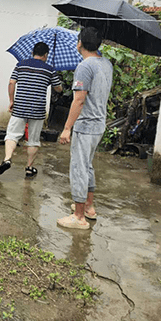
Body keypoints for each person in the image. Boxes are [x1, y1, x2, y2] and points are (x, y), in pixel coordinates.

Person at [57, 27, 113, 230]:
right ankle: (89, 207)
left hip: (86, 124)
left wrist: (66, 128)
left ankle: (79, 216)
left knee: (79, 168)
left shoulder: (85, 66)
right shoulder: (106, 63)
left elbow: (79, 100)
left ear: (80, 43)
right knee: (87, 166)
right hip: (99, 124)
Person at [0, 42, 63, 177]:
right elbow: (58, 89)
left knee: (12, 135)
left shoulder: (21, 65)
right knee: (33, 140)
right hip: (37, 110)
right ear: (46, 55)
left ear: (33, 53)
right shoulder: (49, 69)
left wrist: (11, 101)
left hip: (20, 106)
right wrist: (53, 78)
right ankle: (29, 168)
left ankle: (7, 159)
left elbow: (11, 82)